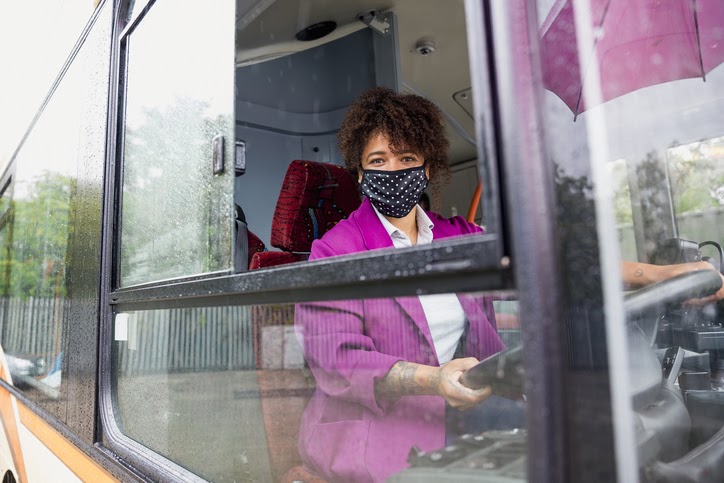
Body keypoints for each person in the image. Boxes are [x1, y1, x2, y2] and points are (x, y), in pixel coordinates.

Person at [294, 87, 504, 482]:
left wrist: (654, 274)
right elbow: (339, 362)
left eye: (407, 158)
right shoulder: (334, 250)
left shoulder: (456, 235)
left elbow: (532, 258)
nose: (393, 170)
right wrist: (434, 380)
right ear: (359, 172)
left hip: (459, 421)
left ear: (426, 168)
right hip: (369, 433)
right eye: (379, 160)